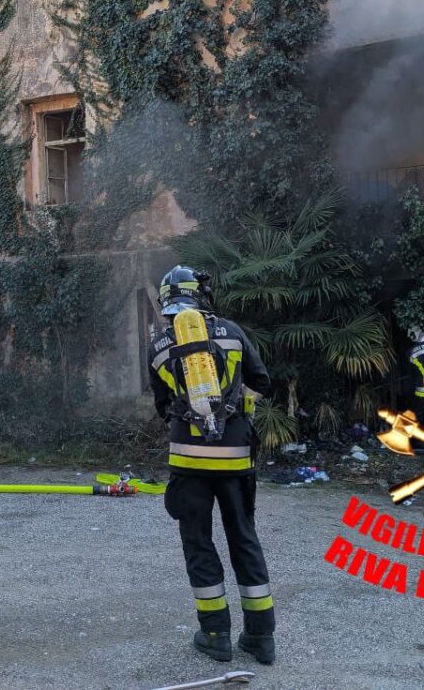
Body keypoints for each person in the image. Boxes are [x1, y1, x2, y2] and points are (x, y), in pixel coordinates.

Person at [148, 266, 277, 665]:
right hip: (236, 457)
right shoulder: (233, 332)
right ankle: (260, 639)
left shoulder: (157, 346)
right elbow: (263, 381)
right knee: (243, 537)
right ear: (200, 296)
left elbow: (161, 406)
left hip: (189, 461)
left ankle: (216, 635)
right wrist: (237, 401)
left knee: (198, 543)